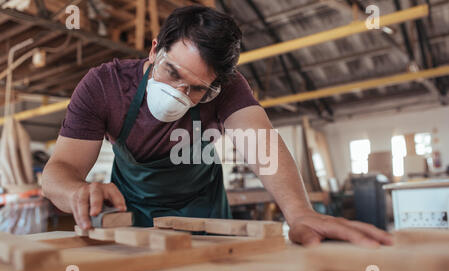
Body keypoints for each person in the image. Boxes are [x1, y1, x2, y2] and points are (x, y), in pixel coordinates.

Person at [42, 5, 393, 247]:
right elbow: (59, 170)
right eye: (172, 73)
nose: (178, 93)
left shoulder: (227, 89)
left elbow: (262, 145)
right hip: (130, 214)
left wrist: (299, 213)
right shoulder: (105, 86)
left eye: (196, 89)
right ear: (154, 51)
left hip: (205, 215)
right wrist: (76, 192)